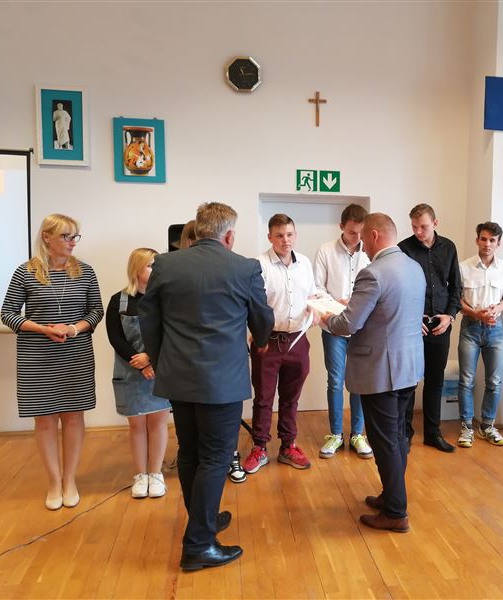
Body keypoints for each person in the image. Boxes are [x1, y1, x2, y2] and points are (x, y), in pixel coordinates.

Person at [139, 202, 273, 571]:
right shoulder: (245, 267)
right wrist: (261, 341)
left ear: (198, 230)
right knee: (215, 458)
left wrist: (161, 359)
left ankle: (204, 519)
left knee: (190, 452)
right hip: (222, 381)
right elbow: (263, 319)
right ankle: (198, 545)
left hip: (178, 377)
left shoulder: (166, 264)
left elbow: (149, 320)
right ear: (229, 235)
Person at [322, 213, 425, 532]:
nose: (361, 245)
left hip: (382, 370)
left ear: (376, 235)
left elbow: (348, 323)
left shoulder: (373, 273)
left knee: (385, 442)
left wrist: (325, 318)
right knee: (397, 436)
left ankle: (396, 512)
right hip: (408, 367)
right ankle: (391, 496)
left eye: (363, 238)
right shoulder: (414, 267)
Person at [0, 214, 103, 510]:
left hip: (75, 354)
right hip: (36, 356)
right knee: (45, 419)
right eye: (66, 236)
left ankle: (70, 480)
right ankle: (54, 482)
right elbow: (8, 313)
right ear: (47, 237)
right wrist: (43, 329)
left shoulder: (85, 271)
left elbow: (96, 311)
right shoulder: (25, 272)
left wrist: (73, 329)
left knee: (73, 417)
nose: (72, 242)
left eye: (75, 237)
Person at [242, 214, 317, 474]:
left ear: (295, 235)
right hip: (268, 342)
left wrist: (319, 308)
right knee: (264, 398)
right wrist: (258, 333)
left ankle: (288, 446)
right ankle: (260, 447)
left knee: (290, 398)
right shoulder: (259, 265)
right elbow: (252, 304)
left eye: (290, 234)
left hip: (298, 340)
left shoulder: (304, 263)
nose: (286, 240)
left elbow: (312, 295)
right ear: (270, 237)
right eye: (280, 235)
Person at [106, 248, 171, 498]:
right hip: (130, 372)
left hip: (159, 370)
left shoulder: (166, 299)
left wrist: (151, 359)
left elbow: (171, 333)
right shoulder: (118, 301)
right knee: (136, 426)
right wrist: (141, 363)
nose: (155, 270)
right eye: (150, 265)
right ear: (136, 269)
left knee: (158, 424)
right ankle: (140, 475)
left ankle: (155, 473)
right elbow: (115, 338)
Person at [398, 203, 461, 453]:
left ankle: (433, 434)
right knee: (409, 381)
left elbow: (456, 287)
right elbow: (399, 289)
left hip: (441, 324)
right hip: (413, 326)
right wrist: (412, 318)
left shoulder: (449, 247)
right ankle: (405, 434)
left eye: (423, 226)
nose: (418, 231)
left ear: (435, 223)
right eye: (414, 226)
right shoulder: (404, 249)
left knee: (435, 381)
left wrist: (450, 316)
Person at [314, 203, 373, 459]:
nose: (357, 238)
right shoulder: (325, 251)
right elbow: (317, 289)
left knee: (359, 381)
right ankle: (336, 434)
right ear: (341, 227)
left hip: (361, 327)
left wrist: (355, 304)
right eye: (351, 232)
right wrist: (336, 303)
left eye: (360, 232)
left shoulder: (369, 253)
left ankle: (358, 434)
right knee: (336, 380)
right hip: (334, 326)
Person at [456, 221, 503, 448]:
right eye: (483, 239)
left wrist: (495, 310)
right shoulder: (463, 267)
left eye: (492, 240)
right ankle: (466, 427)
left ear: (498, 243)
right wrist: (476, 314)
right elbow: (457, 301)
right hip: (470, 329)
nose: (487, 244)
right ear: (477, 240)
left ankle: (487, 426)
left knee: (494, 381)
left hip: (495, 330)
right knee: (466, 380)